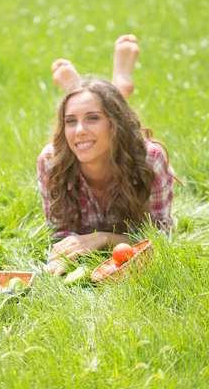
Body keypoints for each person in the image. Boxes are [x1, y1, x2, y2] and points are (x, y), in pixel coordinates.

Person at [39, 34, 177, 275]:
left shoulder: (149, 159)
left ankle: (111, 87)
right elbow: (59, 230)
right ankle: (98, 89)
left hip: (127, 147)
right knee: (93, 102)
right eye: (70, 121)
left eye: (93, 118)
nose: (79, 131)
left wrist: (102, 238)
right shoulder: (52, 161)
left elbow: (160, 236)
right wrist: (63, 254)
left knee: (101, 105)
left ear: (114, 124)